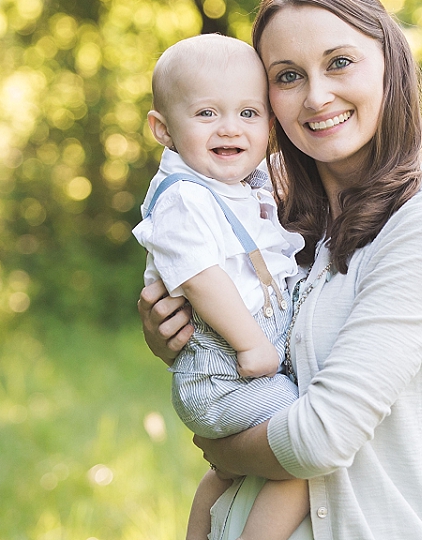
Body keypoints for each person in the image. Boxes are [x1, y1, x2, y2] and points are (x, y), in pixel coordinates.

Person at [138, 0, 422, 540]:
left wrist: (219, 445)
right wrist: (170, 331)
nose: (317, 95)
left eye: (340, 62)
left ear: (389, 64)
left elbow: (321, 438)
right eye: (288, 75)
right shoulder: (260, 204)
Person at [132, 34, 309, 540]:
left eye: (249, 114)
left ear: (270, 126)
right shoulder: (182, 197)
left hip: (237, 374)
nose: (230, 127)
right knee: (308, 448)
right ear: (163, 129)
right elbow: (200, 277)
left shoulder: (240, 184)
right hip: (224, 376)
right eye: (207, 114)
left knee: (228, 472)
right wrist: (252, 344)